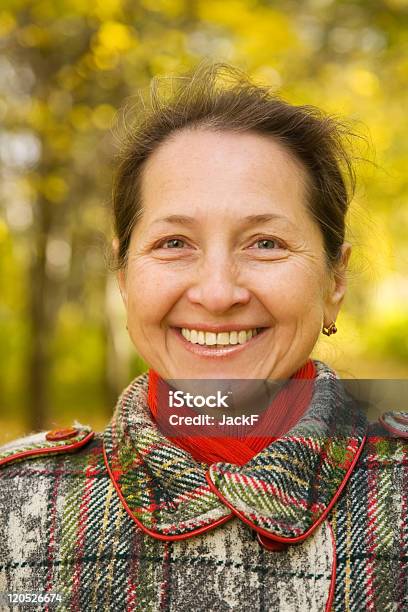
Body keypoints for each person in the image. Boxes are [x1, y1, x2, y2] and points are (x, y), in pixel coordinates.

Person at [0, 63, 407, 611]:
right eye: (173, 243)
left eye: (265, 243)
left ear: (335, 280)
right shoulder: (14, 505)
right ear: (123, 275)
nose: (217, 294)